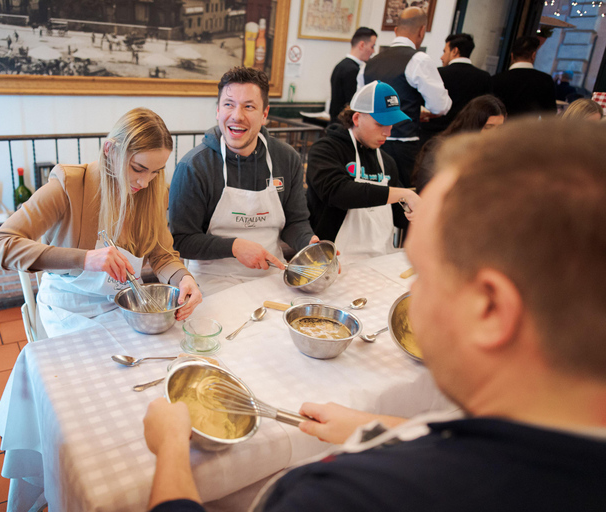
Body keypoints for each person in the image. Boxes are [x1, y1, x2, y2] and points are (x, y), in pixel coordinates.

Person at [142, 118, 606, 511]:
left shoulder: (336, 496)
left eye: (421, 272)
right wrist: (381, 428)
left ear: (490, 310)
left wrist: (169, 454)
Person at [0, 108, 202, 338]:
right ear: (109, 150)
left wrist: (184, 278)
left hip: (121, 307)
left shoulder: (152, 193)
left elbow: (161, 254)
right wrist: (85, 259)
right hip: (67, 308)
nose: (145, 182)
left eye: (155, 172)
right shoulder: (68, 187)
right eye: (138, 168)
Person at [168, 67, 318, 296]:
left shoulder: (287, 159)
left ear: (265, 113)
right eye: (229, 104)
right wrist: (234, 247)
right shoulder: (194, 167)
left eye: (249, 106)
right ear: (218, 110)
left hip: (272, 276)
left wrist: (310, 244)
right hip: (213, 281)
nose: (237, 115)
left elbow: (295, 221)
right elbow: (182, 240)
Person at [307, 81, 417, 263]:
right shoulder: (325, 149)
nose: (388, 132)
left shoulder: (386, 162)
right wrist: (403, 193)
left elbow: (399, 215)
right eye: (381, 124)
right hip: (333, 261)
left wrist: (417, 213)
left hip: (380, 259)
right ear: (357, 118)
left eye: (392, 125)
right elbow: (337, 192)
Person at [363, 6, 452, 187]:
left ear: (396, 30)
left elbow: (362, 102)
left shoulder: (370, 63)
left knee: (372, 195)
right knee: (402, 200)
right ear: (422, 31)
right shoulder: (418, 59)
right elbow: (439, 105)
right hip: (401, 145)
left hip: (370, 141)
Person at [413, 94, 506, 192]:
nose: (494, 133)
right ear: (474, 125)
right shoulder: (441, 147)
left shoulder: (494, 150)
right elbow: (427, 186)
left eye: (499, 128)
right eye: (488, 127)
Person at [421, 33, 492, 143]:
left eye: (445, 51)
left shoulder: (438, 73)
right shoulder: (484, 77)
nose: (441, 57)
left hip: (435, 135)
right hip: (466, 137)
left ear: (455, 51)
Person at [491, 36, 557, 117]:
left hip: (502, 128)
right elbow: (550, 115)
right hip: (530, 128)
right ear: (533, 55)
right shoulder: (545, 80)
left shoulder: (496, 79)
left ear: (512, 56)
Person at [328, 27, 377, 123]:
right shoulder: (353, 70)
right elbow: (353, 103)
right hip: (344, 123)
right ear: (362, 45)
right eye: (372, 46)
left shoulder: (340, 65)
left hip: (335, 121)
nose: (373, 51)